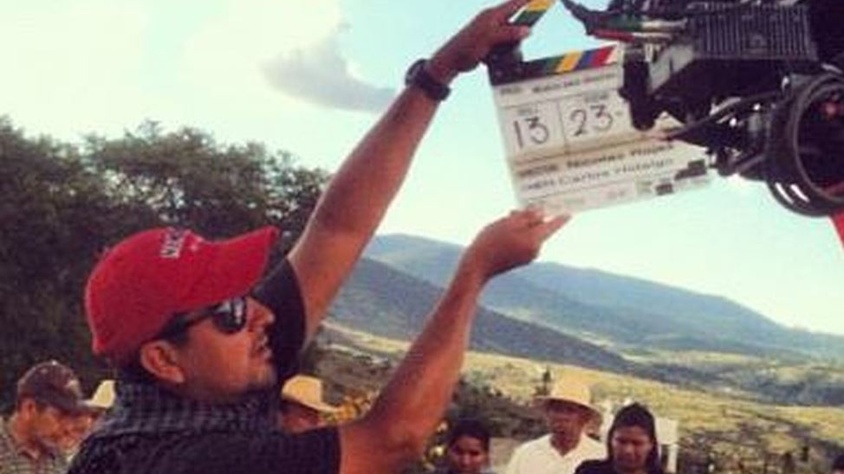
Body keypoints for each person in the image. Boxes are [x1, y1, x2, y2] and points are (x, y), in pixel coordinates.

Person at [67, 1, 562, 471]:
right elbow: (394, 439)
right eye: (230, 311)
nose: (261, 314)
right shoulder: (176, 461)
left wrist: (438, 74)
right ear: (162, 360)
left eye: (244, 294)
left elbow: (337, 229)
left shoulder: (209, 376)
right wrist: (474, 274)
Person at [0, 360, 93, 473]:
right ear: (29, 408)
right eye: (59, 417)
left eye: (70, 418)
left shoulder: (60, 456)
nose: (67, 428)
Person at [505, 378, 605, 474]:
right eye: (557, 409)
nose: (561, 416)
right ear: (547, 414)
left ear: (585, 418)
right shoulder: (525, 454)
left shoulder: (600, 457)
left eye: (570, 410)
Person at [574, 403, 664, 474]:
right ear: (611, 439)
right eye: (621, 441)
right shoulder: (589, 471)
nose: (628, 450)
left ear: (651, 444)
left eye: (637, 443)